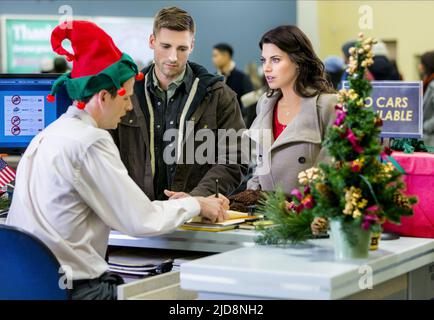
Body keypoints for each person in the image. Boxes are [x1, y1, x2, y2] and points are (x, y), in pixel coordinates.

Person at [6, 20, 228, 300]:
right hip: (81, 291)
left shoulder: (48, 135)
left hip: (30, 287)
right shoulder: (90, 141)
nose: (129, 106)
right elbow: (141, 220)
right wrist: (197, 203)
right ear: (102, 97)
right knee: (196, 295)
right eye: (126, 96)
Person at [111, 7, 247, 201]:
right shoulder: (126, 94)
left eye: (182, 48)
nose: (173, 57)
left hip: (197, 219)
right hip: (135, 218)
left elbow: (235, 158)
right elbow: (105, 158)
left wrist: (197, 198)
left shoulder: (218, 95)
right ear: (152, 41)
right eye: (165, 46)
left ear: (192, 45)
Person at [246, 25, 338, 195]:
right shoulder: (265, 104)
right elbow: (260, 166)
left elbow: (333, 169)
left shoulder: (327, 105)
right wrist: (251, 194)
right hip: (264, 215)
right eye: (263, 60)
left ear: (298, 62)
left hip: (307, 215)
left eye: (275, 60)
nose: (266, 68)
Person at [212, 43, 254, 112]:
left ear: (226, 56)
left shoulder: (242, 78)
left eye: (215, 56)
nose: (213, 59)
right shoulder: (213, 79)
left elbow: (250, 105)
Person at [420, 50, 434, 146]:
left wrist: (424, 127)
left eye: (421, 63)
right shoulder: (428, 82)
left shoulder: (432, 85)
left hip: (431, 138)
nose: (419, 67)